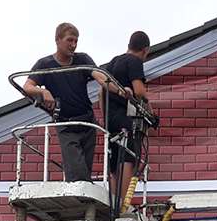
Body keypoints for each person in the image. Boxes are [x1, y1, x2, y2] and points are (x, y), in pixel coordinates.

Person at [22, 23, 108, 182]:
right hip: (66, 125)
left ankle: (82, 202)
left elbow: (100, 76)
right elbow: (27, 87)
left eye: (76, 41)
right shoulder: (45, 64)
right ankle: (80, 200)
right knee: (77, 173)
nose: (73, 45)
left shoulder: (82, 59)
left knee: (85, 171)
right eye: (69, 40)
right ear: (57, 40)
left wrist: (120, 89)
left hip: (87, 122)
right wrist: (43, 91)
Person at [101, 31, 152, 201]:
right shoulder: (135, 61)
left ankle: (113, 203)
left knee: (114, 162)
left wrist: (105, 117)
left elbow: (102, 92)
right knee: (127, 158)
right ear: (145, 50)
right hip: (125, 118)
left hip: (110, 119)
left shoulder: (114, 61)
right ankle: (122, 204)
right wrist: (149, 111)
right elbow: (138, 91)